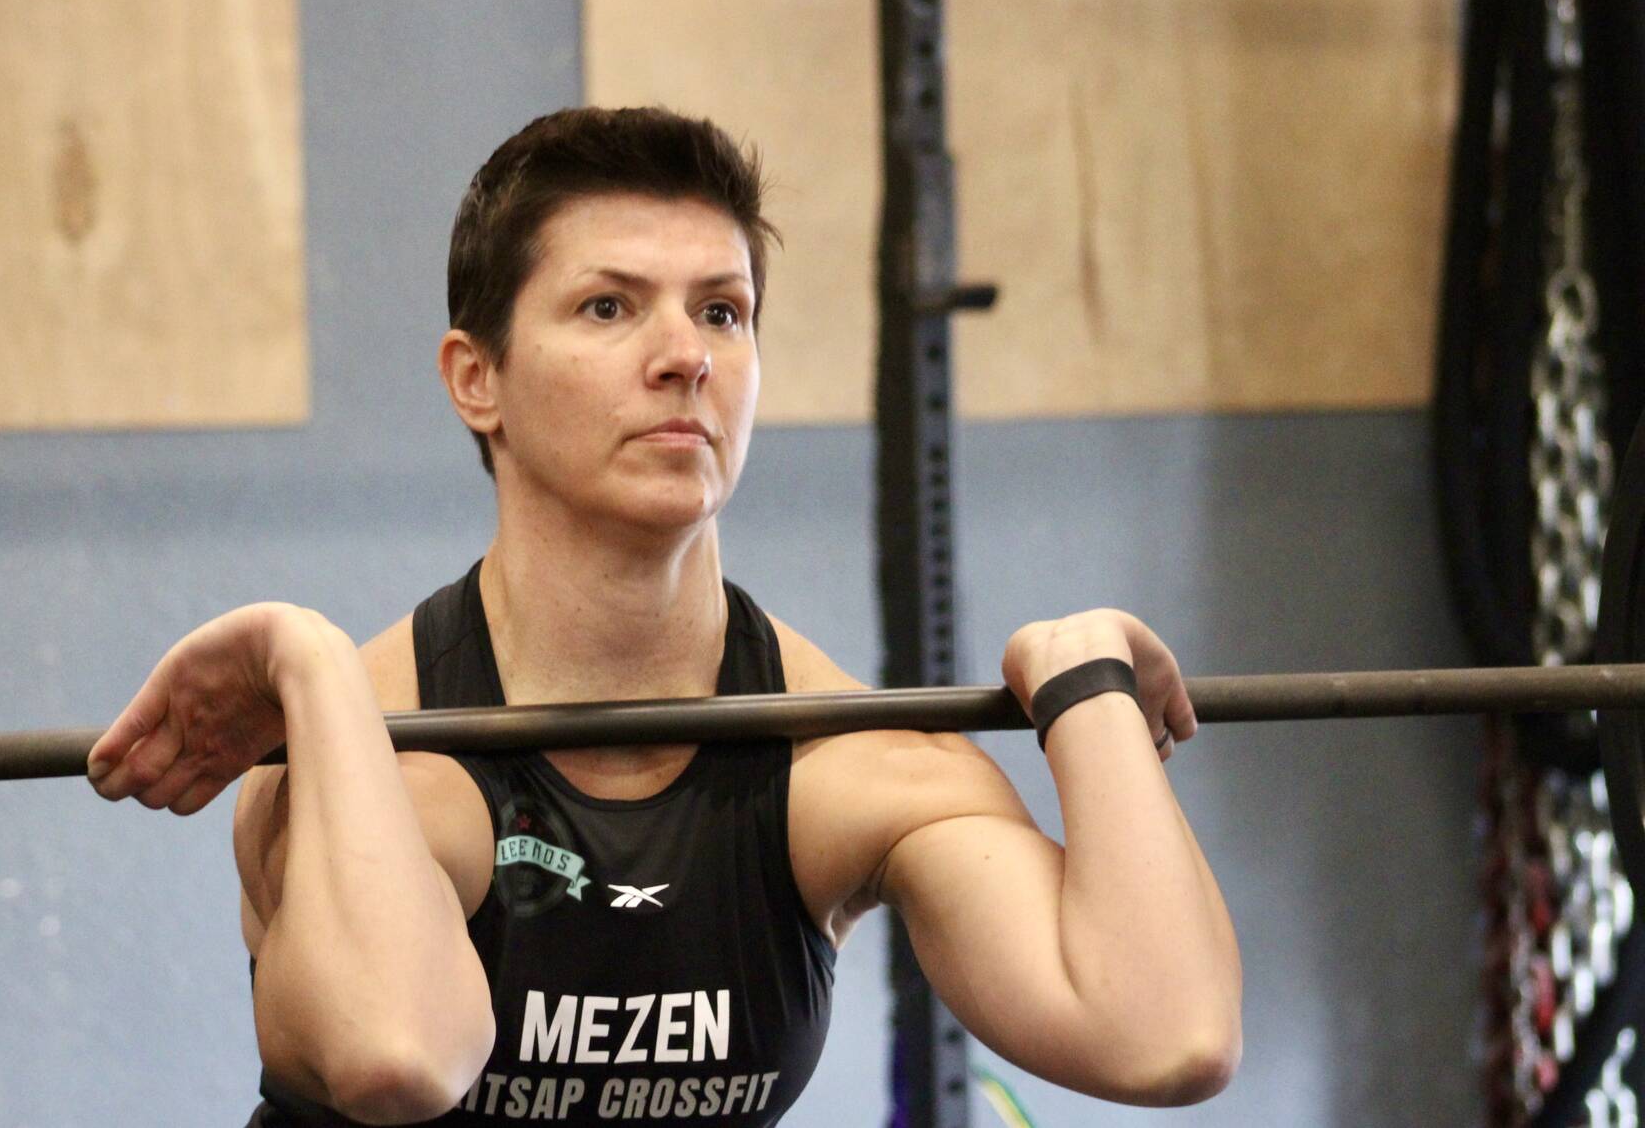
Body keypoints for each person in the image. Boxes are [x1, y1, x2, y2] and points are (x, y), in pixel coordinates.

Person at [84, 106, 1241, 1125]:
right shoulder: (373, 761)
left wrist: (1080, 678)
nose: (683, 356)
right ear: (473, 377)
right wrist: (308, 659)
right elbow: (397, 1059)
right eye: (607, 307)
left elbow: (1163, 1037)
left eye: (722, 312)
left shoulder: (849, 764)